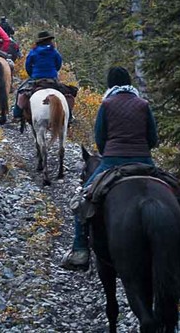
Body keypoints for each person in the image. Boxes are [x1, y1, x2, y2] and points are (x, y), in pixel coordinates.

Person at [59, 66, 157, 271]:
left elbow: (100, 139)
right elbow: (153, 138)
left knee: (83, 198)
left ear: (110, 84)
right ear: (129, 83)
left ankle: (80, 250)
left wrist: (109, 152)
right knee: (178, 194)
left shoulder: (107, 104)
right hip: (144, 160)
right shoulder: (143, 104)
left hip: (112, 160)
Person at [12, 31, 74, 119]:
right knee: (68, 93)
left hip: (37, 78)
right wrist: (53, 72)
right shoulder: (54, 51)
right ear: (49, 41)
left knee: (20, 91)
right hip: (52, 78)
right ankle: (70, 115)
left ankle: (17, 114)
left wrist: (32, 75)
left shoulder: (33, 52)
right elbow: (59, 64)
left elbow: (28, 65)